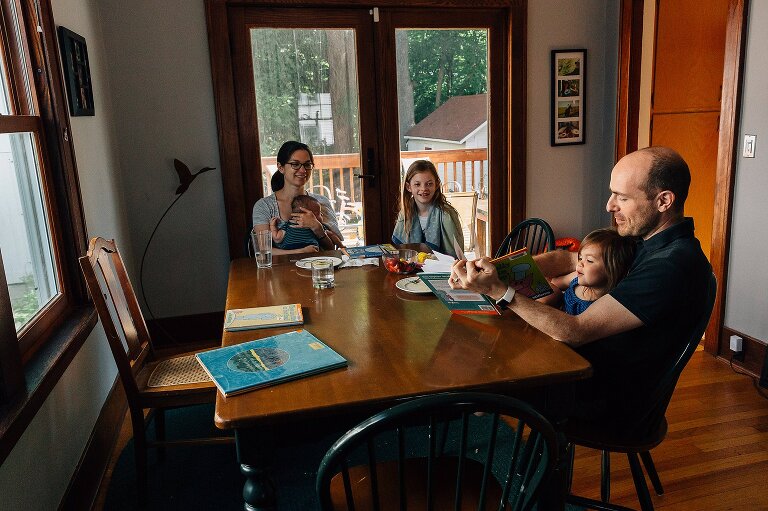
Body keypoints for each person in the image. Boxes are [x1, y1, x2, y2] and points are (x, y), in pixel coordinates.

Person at [450, 146, 712, 431]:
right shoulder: (644, 242)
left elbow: (574, 331)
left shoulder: (672, 265)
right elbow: (565, 258)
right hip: (583, 369)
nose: (609, 206)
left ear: (663, 201)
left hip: (606, 399)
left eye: (622, 198)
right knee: (480, 364)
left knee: (475, 378)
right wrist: (493, 271)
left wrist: (501, 291)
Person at [252, 141, 343, 255]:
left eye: (307, 165)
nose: (303, 170)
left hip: (318, 268)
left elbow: (333, 248)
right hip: (281, 270)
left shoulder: (321, 202)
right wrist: (301, 251)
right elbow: (264, 250)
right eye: (295, 164)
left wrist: (317, 227)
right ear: (281, 168)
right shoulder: (264, 206)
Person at [542, 228, 636, 315]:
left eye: (589, 260)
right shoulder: (576, 278)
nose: (579, 264)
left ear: (612, 269)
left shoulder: (605, 307)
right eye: (580, 258)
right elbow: (554, 283)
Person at [391, 160, 464, 258]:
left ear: (436, 184)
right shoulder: (405, 213)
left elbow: (456, 254)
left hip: (443, 268)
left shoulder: (447, 214)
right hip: (411, 266)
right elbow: (400, 250)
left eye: (429, 184)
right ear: (409, 187)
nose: (423, 189)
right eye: (417, 184)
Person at [270, 195, 344, 250]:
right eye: (318, 213)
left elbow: (277, 238)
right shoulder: (288, 225)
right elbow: (332, 236)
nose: (321, 215)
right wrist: (340, 245)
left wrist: (273, 227)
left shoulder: (288, 225)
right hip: (305, 249)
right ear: (307, 215)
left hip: (294, 249)